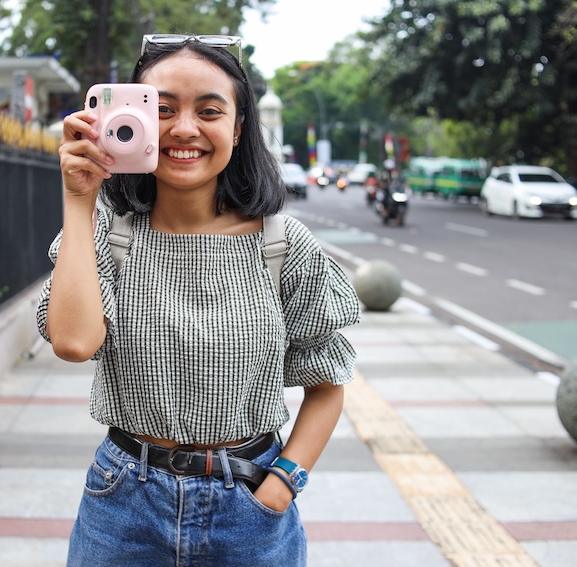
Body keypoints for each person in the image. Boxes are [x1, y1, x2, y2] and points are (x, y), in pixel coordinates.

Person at [36, 33, 361, 567]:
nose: (184, 129)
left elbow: (328, 385)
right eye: (160, 110)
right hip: (123, 506)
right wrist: (79, 200)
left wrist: (282, 483)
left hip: (251, 508)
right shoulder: (105, 236)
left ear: (236, 128)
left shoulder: (282, 245)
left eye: (209, 111)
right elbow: (73, 342)